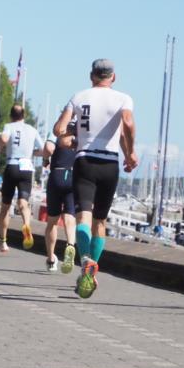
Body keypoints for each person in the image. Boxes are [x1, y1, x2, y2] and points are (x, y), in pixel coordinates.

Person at [52, 58, 138, 298]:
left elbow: (59, 130)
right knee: (100, 222)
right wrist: (130, 153)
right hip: (109, 163)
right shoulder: (123, 98)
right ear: (114, 77)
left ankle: (85, 261)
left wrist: (73, 134)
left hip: (85, 161)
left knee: (83, 218)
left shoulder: (79, 97)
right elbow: (127, 125)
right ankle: (91, 271)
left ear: (91, 76)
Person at [0, 104, 45, 252]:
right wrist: (31, 153)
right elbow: (43, 150)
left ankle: (3, 241)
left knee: (5, 206)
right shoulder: (32, 130)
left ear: (11, 116)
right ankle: (27, 225)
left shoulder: (9, 126)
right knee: (23, 203)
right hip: (26, 167)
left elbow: (4, 138)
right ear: (24, 116)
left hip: (12, 165)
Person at [42, 124, 78, 273]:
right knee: (69, 218)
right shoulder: (80, 131)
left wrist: (45, 159)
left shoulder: (59, 130)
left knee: (52, 221)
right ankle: (70, 245)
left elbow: (48, 148)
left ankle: (51, 259)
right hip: (73, 176)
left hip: (57, 174)